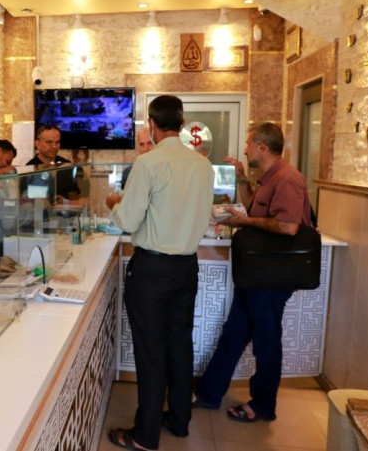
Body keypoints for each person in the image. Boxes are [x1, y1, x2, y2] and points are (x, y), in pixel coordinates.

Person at [105, 95, 214, 451]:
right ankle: (179, 421)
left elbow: (127, 219)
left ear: (151, 125)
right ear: (182, 125)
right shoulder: (203, 165)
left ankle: (146, 436)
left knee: (151, 353)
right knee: (180, 347)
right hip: (187, 268)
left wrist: (116, 206)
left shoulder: (148, 163)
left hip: (152, 270)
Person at [192, 122, 312, 423]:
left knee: (266, 343)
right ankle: (209, 393)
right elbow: (257, 212)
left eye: (248, 144)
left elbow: (288, 226)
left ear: (262, 146)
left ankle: (263, 405)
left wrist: (243, 223)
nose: (244, 149)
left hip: (273, 276)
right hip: (258, 275)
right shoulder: (268, 178)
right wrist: (244, 181)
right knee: (233, 334)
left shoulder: (288, 180)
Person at [25, 124, 80, 202]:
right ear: (37, 144)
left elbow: (74, 194)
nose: (54, 146)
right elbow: (24, 199)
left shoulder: (66, 165)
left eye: (57, 142)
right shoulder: (30, 167)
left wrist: (66, 202)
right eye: (49, 142)